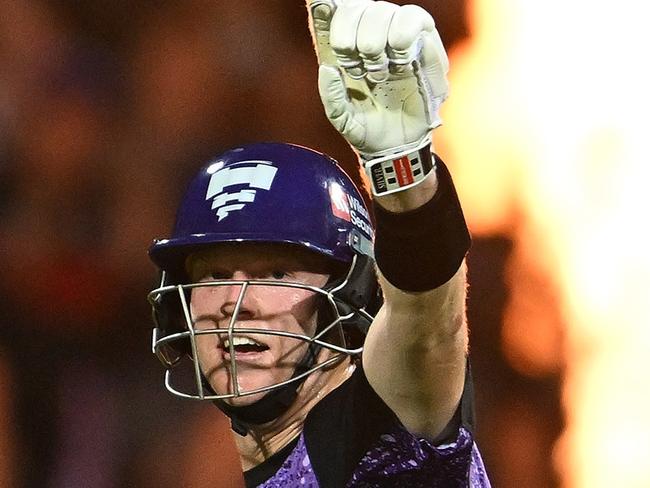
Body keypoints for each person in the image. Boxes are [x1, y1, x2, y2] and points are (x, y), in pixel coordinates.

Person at [148, 0, 491, 486]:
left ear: (349, 297)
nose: (234, 303)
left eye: (275, 274)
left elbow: (429, 324)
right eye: (214, 274)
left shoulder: (379, 426)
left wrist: (401, 172)